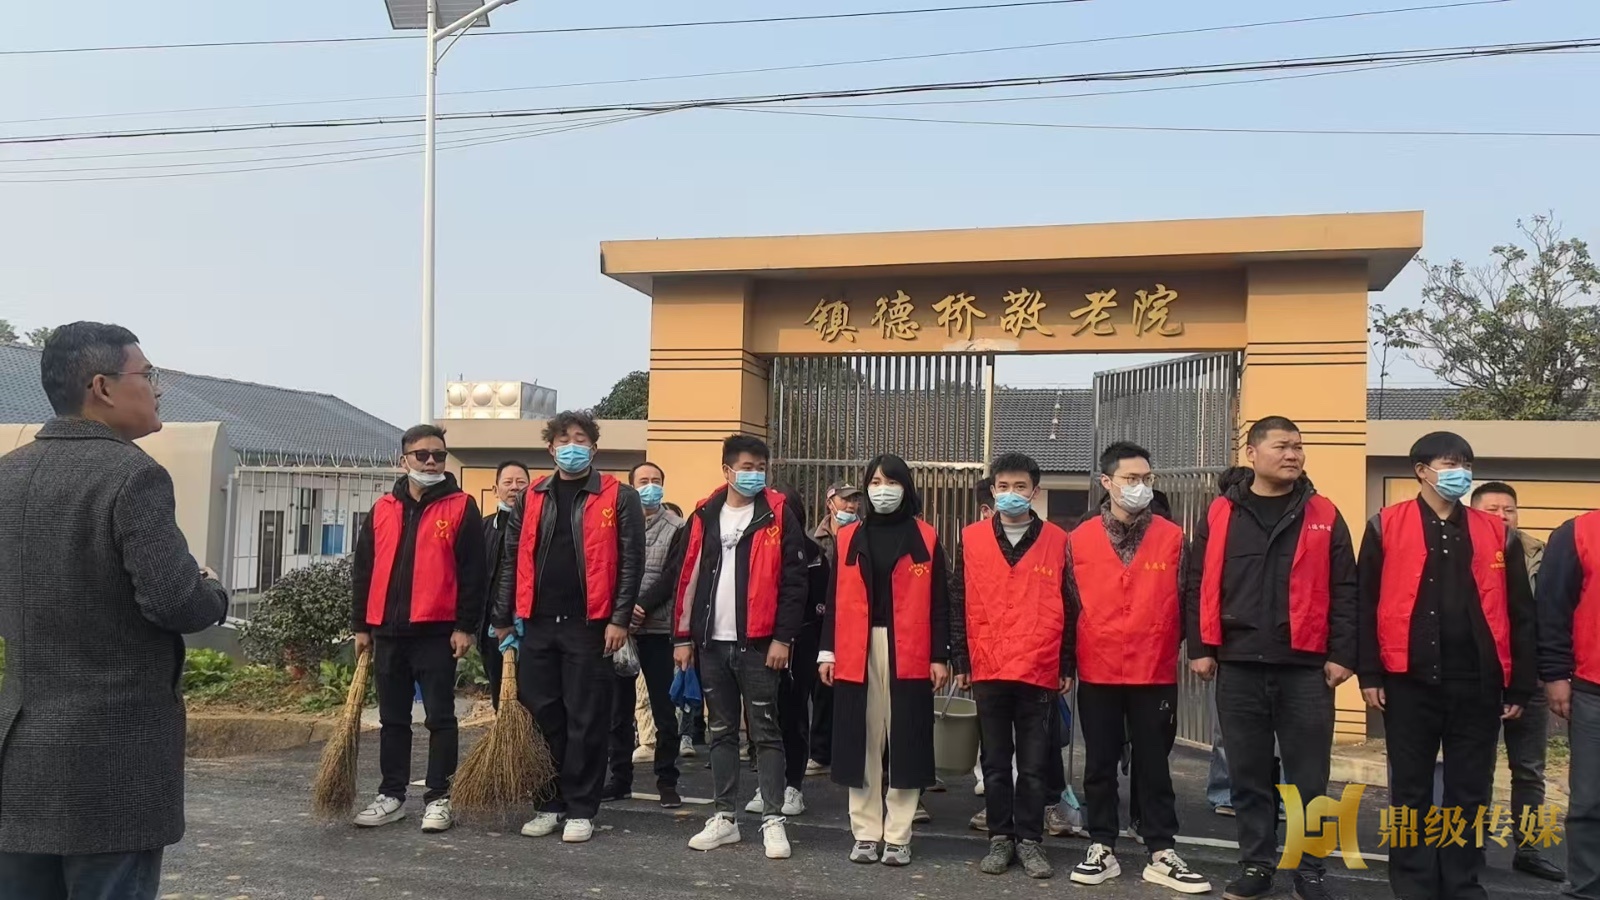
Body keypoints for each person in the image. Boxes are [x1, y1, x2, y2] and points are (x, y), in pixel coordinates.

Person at [0, 322, 230, 900]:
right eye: (147, 375)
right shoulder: (133, 475)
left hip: (20, 758)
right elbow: (176, 601)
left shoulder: (7, 474)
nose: (158, 388)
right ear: (102, 387)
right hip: (112, 764)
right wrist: (212, 590)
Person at [1184, 415, 1358, 900]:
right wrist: (1200, 648)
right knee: (1249, 774)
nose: (1293, 455)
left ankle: (1310, 869)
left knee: (1309, 778)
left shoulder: (1323, 512)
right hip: (1239, 664)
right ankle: (1256, 865)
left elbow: (1347, 587)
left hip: (1306, 667)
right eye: (1282, 446)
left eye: (1298, 447)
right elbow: (1198, 582)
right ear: (1252, 452)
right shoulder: (1221, 512)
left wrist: (1343, 653)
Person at [1358, 433, 1536, 900]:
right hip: (1407, 681)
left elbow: (1521, 612)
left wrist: (1519, 686)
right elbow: (1365, 603)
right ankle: (1412, 885)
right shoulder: (1384, 525)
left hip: (1477, 684)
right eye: (1450, 463)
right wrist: (1369, 674)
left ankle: (1461, 883)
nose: (1461, 472)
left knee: (1469, 790)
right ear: (1421, 471)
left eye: (1466, 464)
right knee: (1409, 790)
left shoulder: (1497, 532)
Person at [490, 410, 644, 845]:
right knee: (543, 716)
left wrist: (619, 619)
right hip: (538, 624)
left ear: (593, 448)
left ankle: (580, 807)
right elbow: (511, 558)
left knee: (586, 718)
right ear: (550, 448)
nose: (571, 446)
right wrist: (502, 618)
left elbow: (631, 561)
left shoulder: (619, 496)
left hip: (590, 625)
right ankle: (548, 802)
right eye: (563, 439)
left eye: (580, 439)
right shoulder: (532, 496)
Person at [1069, 443, 1210, 893]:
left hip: (1154, 668)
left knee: (1154, 763)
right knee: (1099, 761)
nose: (1140, 486)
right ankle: (1101, 845)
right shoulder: (1078, 539)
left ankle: (1161, 849)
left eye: (1146, 478)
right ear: (1107, 482)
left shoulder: (1172, 537)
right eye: (1131, 479)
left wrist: (1184, 644)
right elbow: (1068, 603)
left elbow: (1188, 597)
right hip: (1098, 666)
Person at [667, 434, 808, 859]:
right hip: (711, 644)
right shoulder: (705, 513)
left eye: (760, 467)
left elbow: (794, 584)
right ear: (727, 470)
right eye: (746, 467)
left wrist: (782, 638)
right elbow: (687, 575)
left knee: (766, 732)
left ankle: (773, 820)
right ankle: (724, 817)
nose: (754, 474)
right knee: (721, 732)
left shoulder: (778, 513)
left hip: (760, 645)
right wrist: (682, 636)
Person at [350, 424, 486, 834]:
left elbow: (474, 573)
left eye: (438, 455)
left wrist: (465, 626)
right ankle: (391, 795)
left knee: (440, 717)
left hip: (437, 632)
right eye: (422, 455)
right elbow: (363, 570)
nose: (431, 462)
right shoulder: (382, 508)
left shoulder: (461, 506)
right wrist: (361, 625)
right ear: (403, 459)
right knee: (392, 718)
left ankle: (439, 797)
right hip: (388, 632)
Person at [818, 454, 952, 867]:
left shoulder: (925, 536)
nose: (882, 489)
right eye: (875, 482)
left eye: (891, 481)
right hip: (856, 648)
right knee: (862, 741)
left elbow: (940, 602)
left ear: (906, 487)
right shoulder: (848, 537)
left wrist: (940, 655)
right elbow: (834, 599)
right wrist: (827, 651)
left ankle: (898, 835)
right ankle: (864, 832)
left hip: (910, 650)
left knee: (906, 742)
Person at [950, 452, 1071, 880]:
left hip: (1039, 665)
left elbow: (1070, 603)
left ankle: (1031, 841)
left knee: (1035, 765)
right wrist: (961, 659)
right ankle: (1000, 838)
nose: (1012, 494)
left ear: (1035, 491)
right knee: (996, 762)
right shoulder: (972, 538)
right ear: (993, 490)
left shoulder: (1058, 540)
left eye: (1020, 487)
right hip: (989, 662)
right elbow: (959, 599)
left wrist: (1065, 662)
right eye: (1003, 487)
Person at [1471, 481, 1565, 883]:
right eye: (1492, 509)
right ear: (1473, 512)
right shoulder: (1458, 550)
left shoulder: (1539, 553)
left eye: (1509, 509)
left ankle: (1529, 848)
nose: (1502, 516)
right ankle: (1471, 844)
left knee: (1529, 769)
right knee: (1476, 766)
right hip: (1479, 677)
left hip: (1531, 676)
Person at [745, 484, 828, 818]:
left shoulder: (812, 553)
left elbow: (820, 605)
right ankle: (768, 784)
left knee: (793, 716)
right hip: (757, 641)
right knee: (763, 716)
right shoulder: (752, 545)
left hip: (799, 644)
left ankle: (793, 785)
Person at [608, 461, 686, 808]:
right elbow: (607, 568)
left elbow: (674, 574)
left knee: (664, 711)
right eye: (643, 481)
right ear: (631, 486)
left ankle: (667, 780)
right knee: (618, 711)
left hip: (657, 629)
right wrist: (623, 612)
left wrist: (641, 606)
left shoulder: (677, 526)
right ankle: (619, 778)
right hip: (620, 630)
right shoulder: (616, 523)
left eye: (656, 480)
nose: (650, 486)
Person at [1536, 508, 1600, 900]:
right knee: (1590, 801)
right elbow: (1552, 608)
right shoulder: (1579, 532)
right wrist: (1556, 674)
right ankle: (1588, 888)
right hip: (1594, 691)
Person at [805, 481, 860, 776]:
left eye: (854, 500)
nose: (851, 505)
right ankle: (820, 752)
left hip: (855, 618)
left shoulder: (864, 534)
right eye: (844, 500)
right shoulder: (814, 539)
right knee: (822, 688)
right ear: (830, 503)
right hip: (821, 620)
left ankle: (848, 752)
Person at [480, 460, 530, 708]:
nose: (514, 487)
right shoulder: (484, 527)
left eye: (521, 482)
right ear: (495, 489)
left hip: (530, 625)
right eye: (508, 482)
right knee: (499, 691)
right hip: (491, 626)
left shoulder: (539, 525)